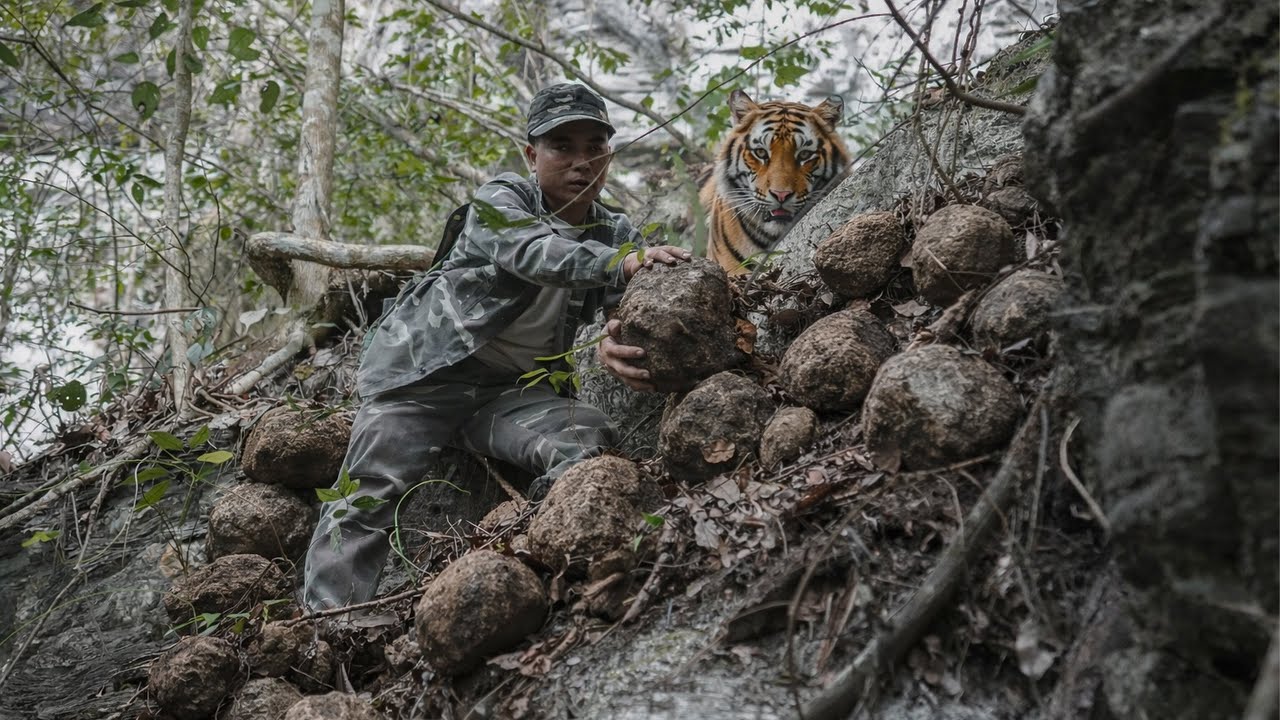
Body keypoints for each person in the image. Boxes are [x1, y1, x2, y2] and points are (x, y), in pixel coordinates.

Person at [302, 83, 690, 610]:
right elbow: (532, 251)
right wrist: (619, 262)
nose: (581, 161)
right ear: (532, 155)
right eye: (562, 146)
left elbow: (618, 308)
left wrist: (614, 337)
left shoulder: (612, 228)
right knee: (366, 495)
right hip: (422, 381)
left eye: (594, 146)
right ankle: (330, 628)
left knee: (588, 440)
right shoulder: (502, 200)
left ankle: (526, 549)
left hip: (509, 395)